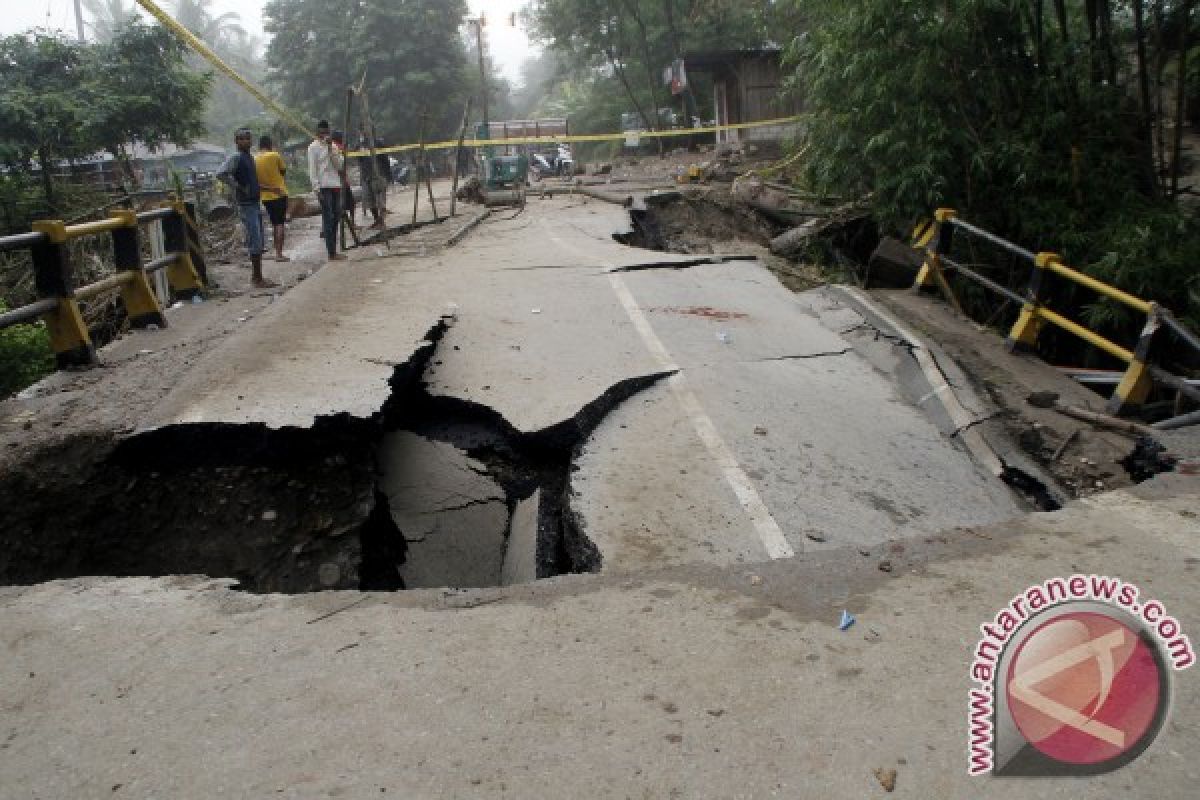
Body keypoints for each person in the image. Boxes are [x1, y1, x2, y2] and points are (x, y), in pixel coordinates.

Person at [217, 128, 277, 288]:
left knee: (259, 239)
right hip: (246, 204)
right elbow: (221, 173)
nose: (245, 141)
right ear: (236, 142)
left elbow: (253, 182)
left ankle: (258, 276)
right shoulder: (236, 157)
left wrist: (269, 188)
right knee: (255, 240)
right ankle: (256, 279)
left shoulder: (250, 157)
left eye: (247, 139)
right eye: (241, 139)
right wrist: (237, 186)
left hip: (255, 202)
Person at [307, 119, 347, 262]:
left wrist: (331, 149)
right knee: (328, 219)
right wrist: (316, 189)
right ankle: (331, 252)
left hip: (335, 185)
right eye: (322, 132)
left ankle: (333, 250)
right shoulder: (313, 147)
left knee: (336, 217)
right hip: (323, 187)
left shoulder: (334, 147)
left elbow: (340, 165)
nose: (324, 135)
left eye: (326, 132)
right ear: (317, 133)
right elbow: (313, 170)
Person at [255, 134, 290, 262]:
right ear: (270, 144)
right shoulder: (275, 155)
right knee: (279, 224)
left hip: (265, 197)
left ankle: (277, 252)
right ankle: (279, 254)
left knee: (274, 223)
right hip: (279, 194)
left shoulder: (255, 159)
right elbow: (283, 171)